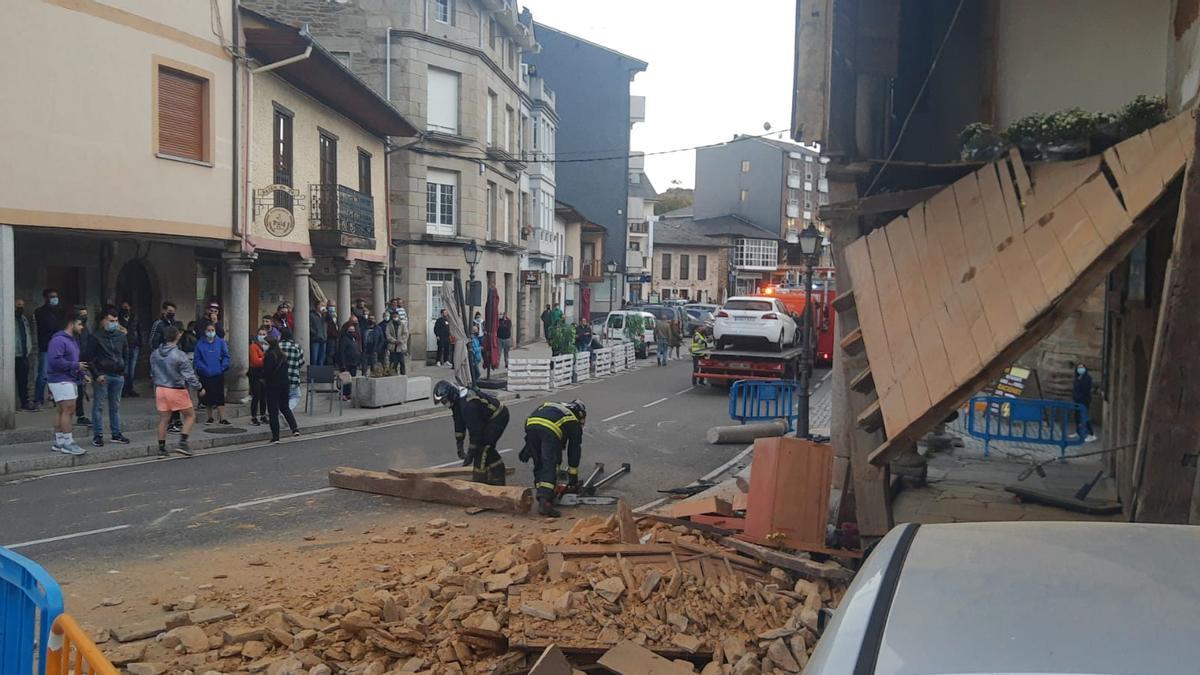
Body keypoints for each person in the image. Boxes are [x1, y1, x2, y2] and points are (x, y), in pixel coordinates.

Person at [432, 380, 509, 485]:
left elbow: (476, 432)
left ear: (451, 394)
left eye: (445, 401)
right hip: (485, 420)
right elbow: (459, 422)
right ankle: (498, 472)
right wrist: (459, 443)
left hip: (497, 417)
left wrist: (470, 453)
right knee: (486, 449)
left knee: (482, 448)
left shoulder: (469, 405)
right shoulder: (457, 402)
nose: (445, 404)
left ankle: (480, 481)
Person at [519, 399, 587, 518]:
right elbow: (574, 451)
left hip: (530, 425)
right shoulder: (573, 420)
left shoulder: (555, 407)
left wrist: (529, 446)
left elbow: (538, 422)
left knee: (539, 463)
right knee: (550, 464)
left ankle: (543, 494)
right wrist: (573, 477)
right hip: (550, 430)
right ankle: (545, 502)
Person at [150, 325, 203, 457]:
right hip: (176, 388)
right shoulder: (179, 355)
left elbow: (152, 372)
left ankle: (161, 448)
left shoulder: (155, 353)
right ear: (178, 336)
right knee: (190, 415)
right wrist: (199, 387)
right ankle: (183, 443)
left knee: (164, 419)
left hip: (160, 388)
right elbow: (189, 375)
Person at [85, 308, 130, 447]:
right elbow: (89, 358)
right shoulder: (95, 337)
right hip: (102, 375)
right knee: (98, 406)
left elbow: (126, 354)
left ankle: (116, 434)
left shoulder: (121, 336)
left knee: (115, 406)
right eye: (111, 321)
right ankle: (98, 435)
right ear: (103, 320)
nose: (114, 323)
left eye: (116, 321)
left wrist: (123, 371)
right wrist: (96, 374)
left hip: (118, 375)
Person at [47, 313, 88, 455]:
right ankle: (68, 442)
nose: (82, 327)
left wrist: (82, 374)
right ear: (71, 324)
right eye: (80, 324)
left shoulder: (71, 340)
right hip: (61, 379)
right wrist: (75, 366)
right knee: (68, 410)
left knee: (61, 410)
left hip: (66, 379)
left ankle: (60, 441)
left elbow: (74, 361)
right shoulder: (59, 340)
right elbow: (55, 361)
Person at [149, 301, 183, 432]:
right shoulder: (158, 324)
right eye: (169, 311)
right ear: (163, 311)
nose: (171, 313)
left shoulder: (175, 324)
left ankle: (176, 418)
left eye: (173, 311)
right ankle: (169, 422)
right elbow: (152, 342)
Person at [262, 335, 300, 443]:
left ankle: (276, 436)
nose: (263, 346)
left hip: (273, 386)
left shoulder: (270, 356)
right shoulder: (283, 356)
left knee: (273, 411)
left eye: (265, 344)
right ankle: (294, 428)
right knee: (285, 407)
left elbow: (267, 372)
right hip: (284, 384)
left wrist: (258, 376)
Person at [194, 322, 231, 424]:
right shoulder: (200, 343)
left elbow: (226, 356)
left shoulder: (220, 342)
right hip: (205, 374)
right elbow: (197, 359)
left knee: (220, 396)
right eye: (208, 330)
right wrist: (204, 369)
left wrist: (222, 367)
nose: (210, 332)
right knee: (207, 396)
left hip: (218, 373)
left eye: (212, 330)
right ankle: (210, 417)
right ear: (205, 331)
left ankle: (222, 417)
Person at [33, 288, 64, 409]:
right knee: (43, 375)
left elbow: (62, 326)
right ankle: (38, 400)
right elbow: (49, 326)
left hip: (58, 347)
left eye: (56, 296)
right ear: (46, 298)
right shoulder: (40, 312)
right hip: (46, 346)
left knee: (57, 374)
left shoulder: (60, 311)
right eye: (52, 297)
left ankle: (56, 397)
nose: (54, 299)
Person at [14, 299, 36, 411]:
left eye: (22, 305)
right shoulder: (9, 318)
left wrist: (28, 349)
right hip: (13, 354)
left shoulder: (24, 319)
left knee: (23, 381)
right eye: (18, 305)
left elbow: (27, 335)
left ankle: (24, 403)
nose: (21, 307)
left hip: (23, 354)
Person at [72, 305, 92, 426]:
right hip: (73, 364)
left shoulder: (85, 329)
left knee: (80, 390)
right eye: (82, 315)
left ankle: (80, 415)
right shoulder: (69, 332)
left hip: (82, 362)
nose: (84, 317)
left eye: (85, 314)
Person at [279, 328, 306, 411]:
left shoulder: (277, 346)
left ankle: (281, 411)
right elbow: (301, 362)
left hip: (278, 376)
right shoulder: (296, 347)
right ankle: (287, 410)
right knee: (295, 395)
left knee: (280, 396)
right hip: (292, 376)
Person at [337, 322, 361, 401]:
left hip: (354, 362)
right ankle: (344, 394)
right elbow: (341, 352)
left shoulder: (354, 339)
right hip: (347, 362)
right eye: (350, 330)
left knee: (351, 379)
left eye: (353, 330)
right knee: (345, 380)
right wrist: (342, 364)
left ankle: (349, 393)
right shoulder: (344, 339)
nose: (352, 332)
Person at [248, 327, 268, 425]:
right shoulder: (253, 346)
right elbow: (255, 361)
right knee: (256, 395)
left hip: (264, 372)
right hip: (255, 373)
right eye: (260, 334)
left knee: (264, 396)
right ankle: (253, 417)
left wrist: (262, 358)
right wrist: (265, 358)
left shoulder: (267, 346)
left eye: (264, 334)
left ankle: (263, 415)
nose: (262, 336)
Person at [1073, 363, 1096, 442]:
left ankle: (1091, 434)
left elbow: (1086, 390)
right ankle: (1078, 431)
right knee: (1077, 416)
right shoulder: (1077, 378)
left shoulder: (1087, 378)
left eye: (1082, 367)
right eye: (1079, 368)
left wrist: (1081, 398)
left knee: (1084, 416)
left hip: (1084, 401)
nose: (1080, 369)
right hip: (1077, 401)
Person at [385, 310, 409, 375]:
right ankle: (393, 374)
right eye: (394, 316)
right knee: (393, 363)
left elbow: (405, 333)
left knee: (402, 362)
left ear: (398, 316)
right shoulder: (389, 324)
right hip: (393, 346)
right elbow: (388, 334)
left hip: (401, 346)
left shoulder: (402, 324)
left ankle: (403, 375)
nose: (395, 317)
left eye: (396, 315)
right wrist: (394, 341)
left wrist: (400, 340)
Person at [309, 301, 327, 368]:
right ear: (317, 306)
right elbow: (309, 326)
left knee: (322, 357)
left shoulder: (324, 316)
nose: (323, 307)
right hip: (315, 339)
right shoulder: (311, 315)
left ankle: (320, 371)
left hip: (323, 339)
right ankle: (314, 371)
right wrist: (315, 333)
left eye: (324, 305)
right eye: (321, 305)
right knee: (314, 357)